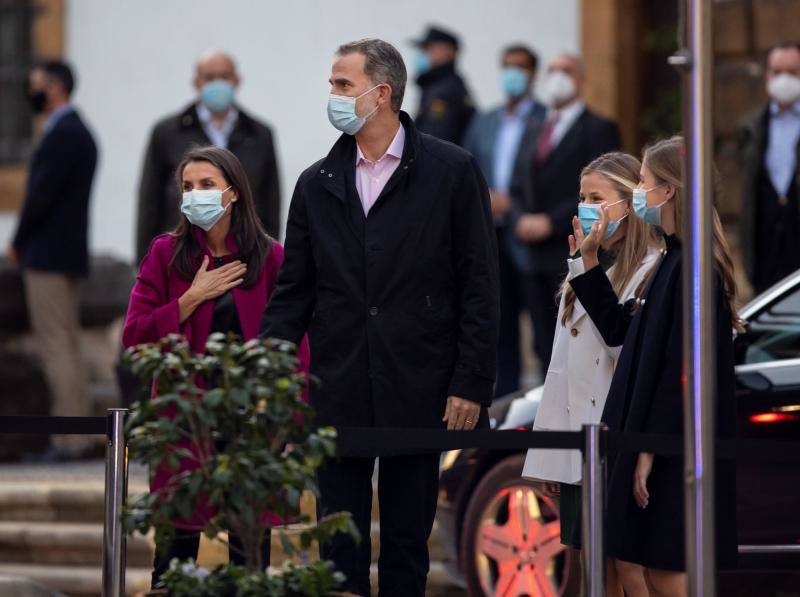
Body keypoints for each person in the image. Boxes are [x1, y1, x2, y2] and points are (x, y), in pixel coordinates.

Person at [260, 39, 499, 596]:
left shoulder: (453, 170)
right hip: (338, 387)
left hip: (419, 386)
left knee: (406, 546)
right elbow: (293, 293)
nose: (333, 95)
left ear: (381, 93)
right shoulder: (315, 182)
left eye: (343, 84)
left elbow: (481, 287)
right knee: (337, 548)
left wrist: (470, 383)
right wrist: (266, 373)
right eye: (333, 84)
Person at [122, 146, 309, 588]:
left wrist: (288, 419)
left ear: (233, 193)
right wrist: (191, 298)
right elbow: (134, 337)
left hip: (252, 427)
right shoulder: (165, 254)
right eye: (188, 187)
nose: (195, 196)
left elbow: (297, 348)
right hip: (186, 427)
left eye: (206, 185)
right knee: (173, 562)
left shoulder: (270, 258)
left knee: (250, 559)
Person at [568, 137, 740, 596]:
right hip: (653, 439)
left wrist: (650, 449)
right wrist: (587, 262)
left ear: (669, 191)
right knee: (640, 565)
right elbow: (626, 332)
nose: (640, 190)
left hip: (670, 446)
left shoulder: (690, 266)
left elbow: (682, 369)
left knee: (666, 570)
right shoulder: (673, 259)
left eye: (643, 182)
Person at [521, 152, 661, 595]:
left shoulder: (651, 269)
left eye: (597, 197)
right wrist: (550, 449)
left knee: (628, 568)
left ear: (629, 203)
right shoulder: (584, 267)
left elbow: (621, 344)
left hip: (617, 444)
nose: (585, 206)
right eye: (581, 196)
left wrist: (588, 265)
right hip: (581, 444)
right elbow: (561, 367)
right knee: (591, 570)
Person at [8, 60, 97, 461]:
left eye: (38, 84)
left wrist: (19, 240)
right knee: (67, 344)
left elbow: (40, 196)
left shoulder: (66, 133)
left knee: (55, 346)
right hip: (64, 252)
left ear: (57, 87)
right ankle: (79, 431)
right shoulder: (74, 131)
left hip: (48, 254)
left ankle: (69, 437)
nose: (33, 92)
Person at [512, 53, 620, 375]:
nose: (558, 77)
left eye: (566, 71)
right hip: (533, 255)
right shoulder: (535, 126)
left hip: (572, 246)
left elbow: (604, 188)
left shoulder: (598, 128)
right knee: (543, 344)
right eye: (553, 70)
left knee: (577, 337)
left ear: (582, 80)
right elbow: (518, 182)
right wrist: (521, 217)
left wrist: (550, 222)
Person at [136, 50, 281, 264]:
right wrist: (144, 261)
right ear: (196, 82)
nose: (217, 84)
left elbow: (270, 199)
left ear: (236, 80)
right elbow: (150, 200)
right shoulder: (167, 132)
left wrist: (269, 257)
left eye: (224, 76)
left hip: (244, 254)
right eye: (209, 77)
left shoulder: (259, 134)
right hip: (181, 255)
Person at [464, 44, 546, 397]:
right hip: (490, 234)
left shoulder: (545, 119)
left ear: (532, 73)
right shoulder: (486, 120)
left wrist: (512, 205)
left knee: (543, 327)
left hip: (529, 236)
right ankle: (505, 404)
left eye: (520, 67)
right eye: (507, 66)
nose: (511, 73)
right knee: (499, 327)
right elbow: (466, 165)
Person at [740, 41, 800, 294]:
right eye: (777, 71)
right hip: (766, 256)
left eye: (792, 71)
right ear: (767, 75)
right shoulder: (752, 126)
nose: (784, 79)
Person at [411, 25, 475, 146]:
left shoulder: (446, 90)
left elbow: (437, 141)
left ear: (448, 52)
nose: (422, 54)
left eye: (428, 49)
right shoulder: (433, 85)